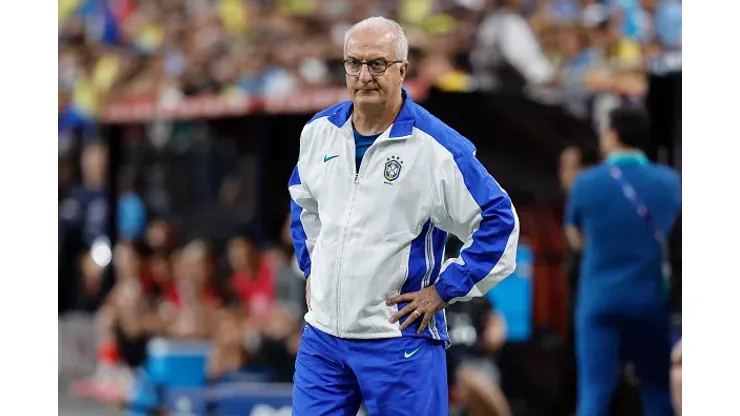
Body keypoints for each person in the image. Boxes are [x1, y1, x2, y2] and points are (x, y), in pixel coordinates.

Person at [288, 16, 520, 416]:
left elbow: (500, 221)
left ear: (402, 71)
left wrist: (445, 289)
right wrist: (312, 269)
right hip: (323, 341)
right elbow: (302, 202)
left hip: (398, 341)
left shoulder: (438, 149)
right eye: (353, 63)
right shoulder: (319, 132)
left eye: (377, 64)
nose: (364, 75)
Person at [565, 107, 681, 416]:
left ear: (612, 136)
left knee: (594, 394)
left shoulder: (586, 182)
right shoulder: (670, 182)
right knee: (657, 392)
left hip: (599, 300)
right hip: (651, 300)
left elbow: (575, 238)